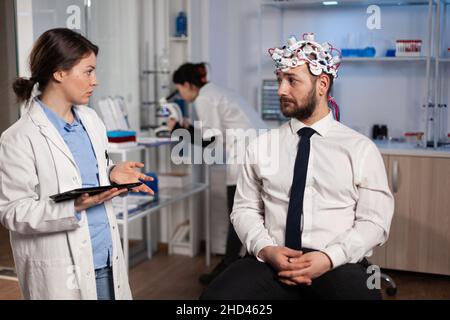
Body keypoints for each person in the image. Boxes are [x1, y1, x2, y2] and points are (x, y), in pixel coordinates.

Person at [200, 33, 395, 300]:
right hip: (271, 259)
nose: (281, 89)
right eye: (280, 80)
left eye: (292, 81)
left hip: (337, 262)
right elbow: (244, 208)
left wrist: (329, 257)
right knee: (212, 301)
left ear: (322, 84)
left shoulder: (359, 149)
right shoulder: (261, 146)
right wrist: (267, 249)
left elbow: (374, 221)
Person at [0, 28, 154, 300]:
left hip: (106, 256)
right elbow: (12, 211)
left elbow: (81, 174)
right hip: (61, 269)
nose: (95, 81)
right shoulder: (19, 137)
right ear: (59, 73)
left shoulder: (91, 120)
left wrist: (112, 173)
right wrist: (73, 206)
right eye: (88, 71)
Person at [168, 62, 267, 285]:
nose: (181, 95)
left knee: (237, 215)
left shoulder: (204, 98)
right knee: (250, 215)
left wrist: (177, 129)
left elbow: (209, 140)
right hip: (261, 153)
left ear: (186, 84)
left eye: (180, 89)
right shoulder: (216, 92)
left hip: (245, 158)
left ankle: (227, 269)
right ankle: (238, 266)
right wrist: (187, 128)